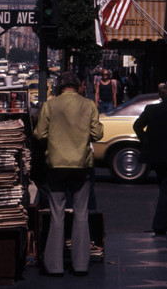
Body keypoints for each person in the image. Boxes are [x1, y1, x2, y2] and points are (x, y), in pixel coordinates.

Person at [34, 72, 103, 276]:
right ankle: (81, 264)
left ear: (60, 86)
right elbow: (98, 134)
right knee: (81, 214)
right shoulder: (88, 105)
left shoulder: (50, 105)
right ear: (77, 86)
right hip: (81, 165)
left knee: (57, 214)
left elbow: (39, 134)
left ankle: (54, 266)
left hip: (56, 165)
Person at [133, 81, 167, 235]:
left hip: (154, 154)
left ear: (161, 95)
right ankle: (160, 225)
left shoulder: (151, 109)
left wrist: (146, 140)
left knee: (165, 187)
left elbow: (137, 126)